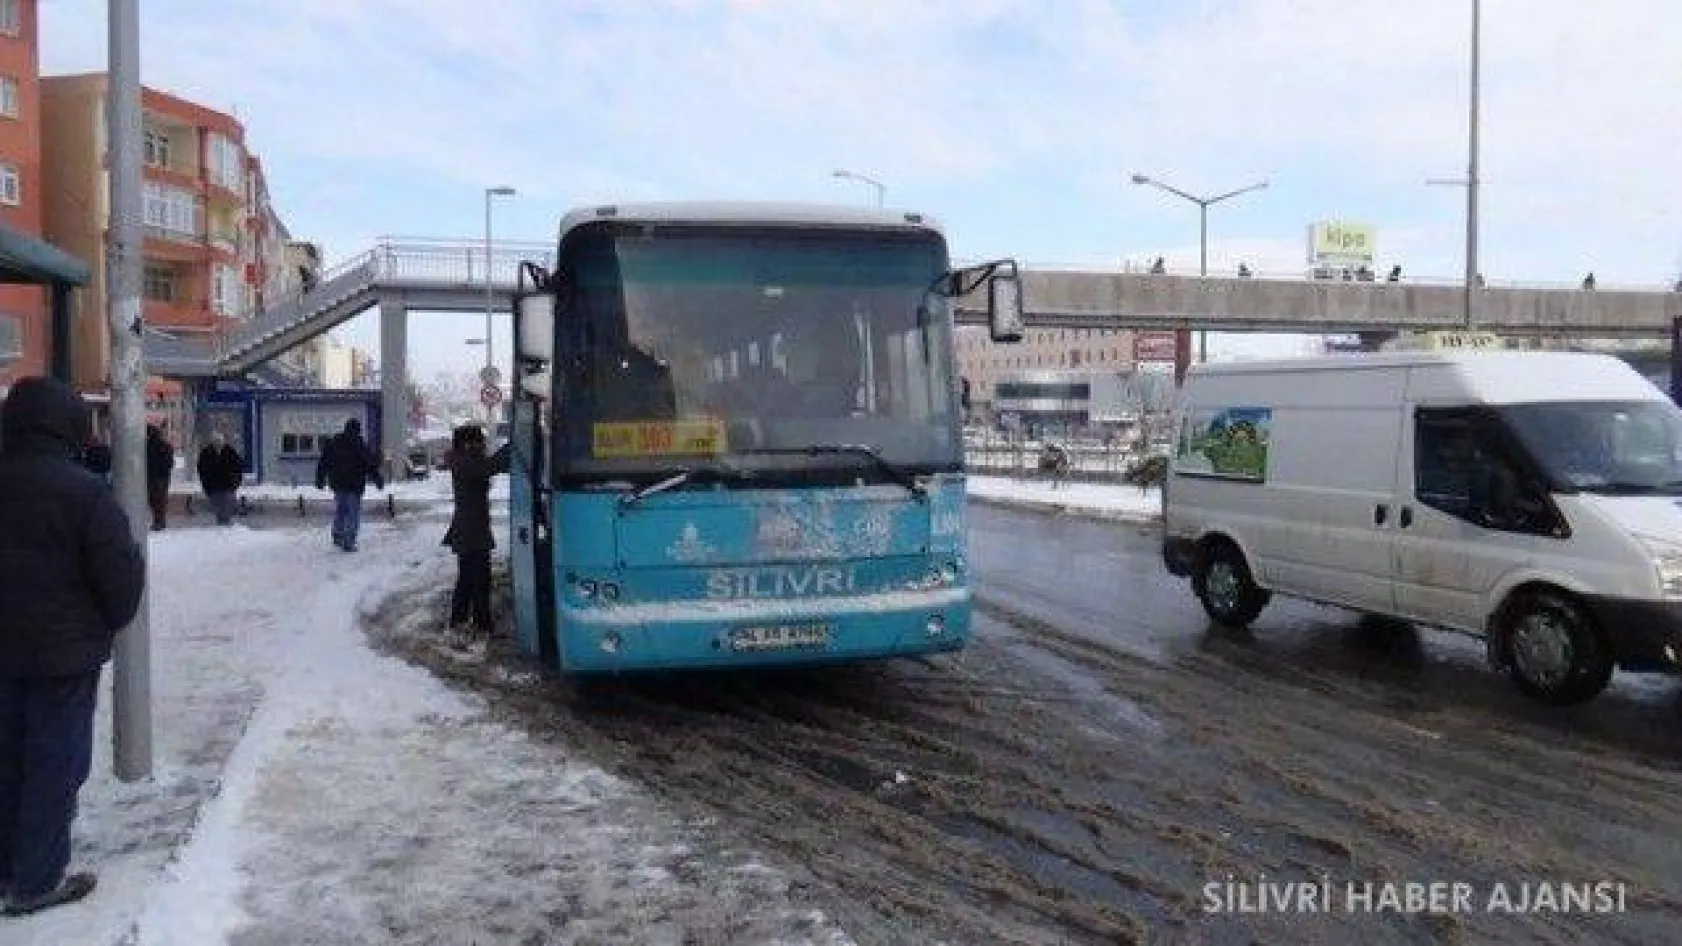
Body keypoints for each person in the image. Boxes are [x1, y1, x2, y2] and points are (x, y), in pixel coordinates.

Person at [0, 377, 146, 916]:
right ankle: (36, 880)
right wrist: (104, 623)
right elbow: (120, 582)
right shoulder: (84, 493)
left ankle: (6, 868)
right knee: (53, 764)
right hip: (63, 657)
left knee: (7, 757)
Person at [442, 424, 511, 648]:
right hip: (470, 530)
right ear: (468, 443)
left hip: (472, 529)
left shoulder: (465, 460)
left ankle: (462, 621)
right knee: (477, 580)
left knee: (470, 579)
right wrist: (514, 446)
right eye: (479, 441)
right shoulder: (464, 462)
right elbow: (489, 467)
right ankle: (478, 625)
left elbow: (489, 466)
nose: (482, 445)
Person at [314, 418, 384, 551]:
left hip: (338, 483)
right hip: (354, 485)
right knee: (352, 512)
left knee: (341, 509)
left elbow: (323, 462)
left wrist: (320, 479)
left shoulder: (334, 442)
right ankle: (349, 541)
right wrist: (378, 479)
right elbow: (369, 463)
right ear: (357, 430)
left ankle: (338, 534)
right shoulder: (359, 444)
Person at [195, 432, 244, 526]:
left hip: (228, 485)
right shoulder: (206, 453)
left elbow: (238, 468)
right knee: (217, 506)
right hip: (213, 486)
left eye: (220, 441)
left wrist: (235, 482)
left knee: (227, 505)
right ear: (213, 442)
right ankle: (221, 524)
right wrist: (206, 483)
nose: (218, 443)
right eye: (216, 441)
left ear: (223, 442)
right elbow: (201, 469)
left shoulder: (230, 452)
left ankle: (226, 524)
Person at [144, 424, 173, 531]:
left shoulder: (146, 446)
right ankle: (160, 521)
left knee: (154, 500)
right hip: (162, 477)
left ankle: (158, 521)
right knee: (160, 499)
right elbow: (170, 463)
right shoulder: (165, 446)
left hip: (153, 477)